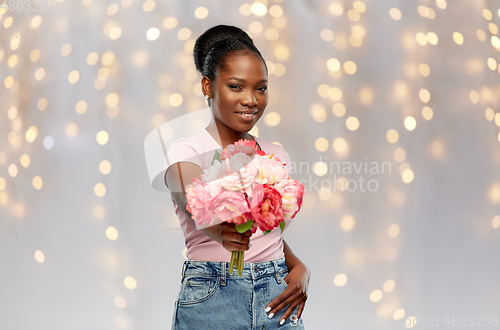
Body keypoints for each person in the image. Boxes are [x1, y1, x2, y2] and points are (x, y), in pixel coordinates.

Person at [165, 24, 310, 329]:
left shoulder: (275, 156)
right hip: (213, 295)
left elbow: (268, 236)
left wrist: (298, 268)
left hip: (276, 296)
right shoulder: (189, 150)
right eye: (236, 86)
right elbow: (188, 192)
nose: (251, 99)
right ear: (207, 86)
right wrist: (218, 229)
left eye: (261, 87)